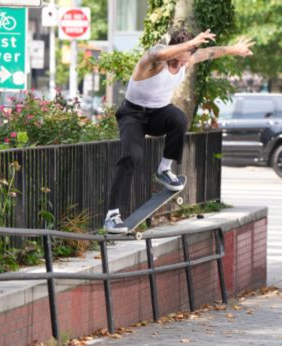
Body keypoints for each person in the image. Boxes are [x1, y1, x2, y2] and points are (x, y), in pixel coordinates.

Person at [103, 28, 254, 233]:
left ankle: (164, 169)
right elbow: (158, 54)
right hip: (133, 115)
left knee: (179, 118)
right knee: (132, 156)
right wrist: (188, 45)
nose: (179, 65)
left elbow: (210, 52)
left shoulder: (187, 59)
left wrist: (234, 49)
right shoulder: (154, 61)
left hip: (159, 114)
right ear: (172, 52)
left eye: (183, 62)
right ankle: (112, 215)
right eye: (175, 61)